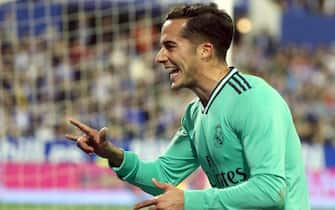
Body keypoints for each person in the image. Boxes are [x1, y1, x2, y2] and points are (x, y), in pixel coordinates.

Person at [65, 3, 310, 210]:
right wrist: (113, 155)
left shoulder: (254, 99)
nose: (159, 57)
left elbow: (271, 189)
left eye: (170, 46)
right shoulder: (195, 114)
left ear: (205, 51)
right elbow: (163, 176)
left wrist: (189, 200)